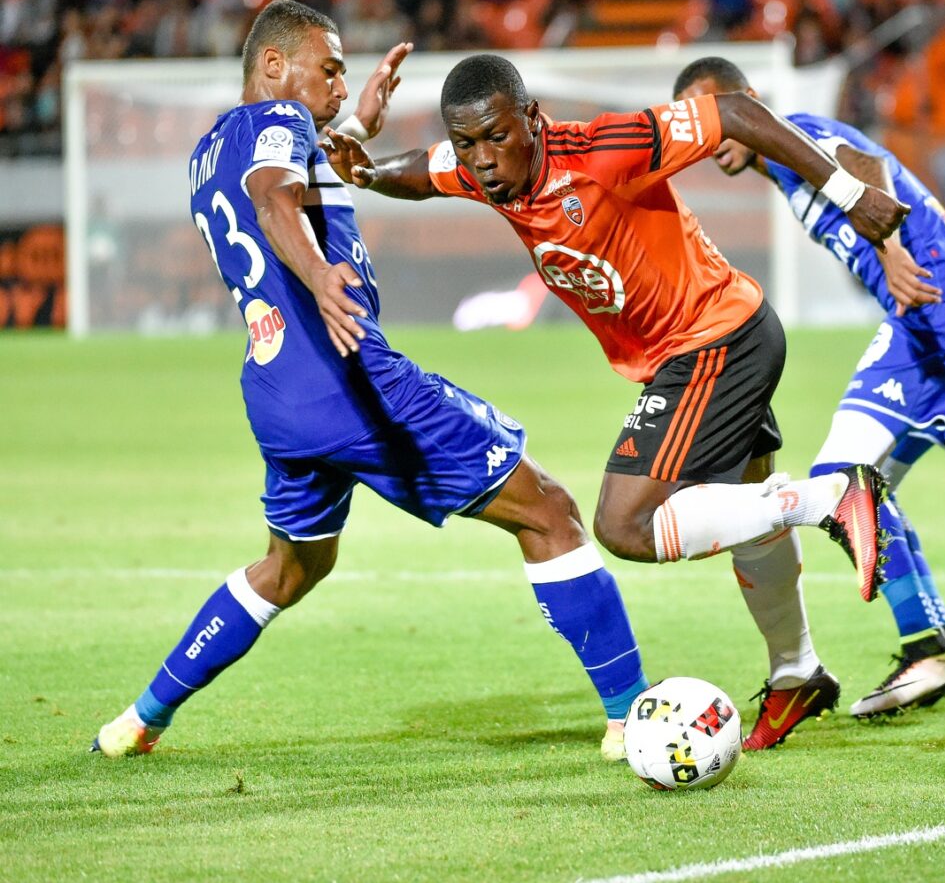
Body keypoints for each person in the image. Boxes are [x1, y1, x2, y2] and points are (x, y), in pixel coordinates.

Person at [91, 0, 649, 762]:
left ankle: (139, 719)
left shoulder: (211, 148)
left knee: (292, 567)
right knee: (549, 510)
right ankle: (631, 717)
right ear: (275, 67)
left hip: (277, 393)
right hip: (351, 376)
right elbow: (274, 194)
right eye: (330, 68)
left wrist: (355, 131)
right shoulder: (277, 123)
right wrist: (322, 277)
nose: (339, 82)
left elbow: (280, 176)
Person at [320, 51, 911, 752]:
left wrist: (844, 190)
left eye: (497, 138)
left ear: (532, 119)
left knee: (625, 523)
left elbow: (733, 113)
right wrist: (369, 172)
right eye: (469, 143)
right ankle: (798, 671)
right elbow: (426, 169)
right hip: (720, 335)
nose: (482, 160)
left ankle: (832, 497)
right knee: (750, 517)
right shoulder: (489, 172)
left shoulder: (606, 151)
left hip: (712, 343)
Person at [673, 56, 945, 719]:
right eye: (697, 125)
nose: (708, 136)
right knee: (860, 489)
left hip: (943, 307)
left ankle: (932, 645)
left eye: (715, 115)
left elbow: (869, 172)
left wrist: (891, 252)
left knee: (840, 482)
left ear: (745, 101)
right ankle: (932, 642)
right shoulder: (779, 164)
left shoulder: (793, 130)